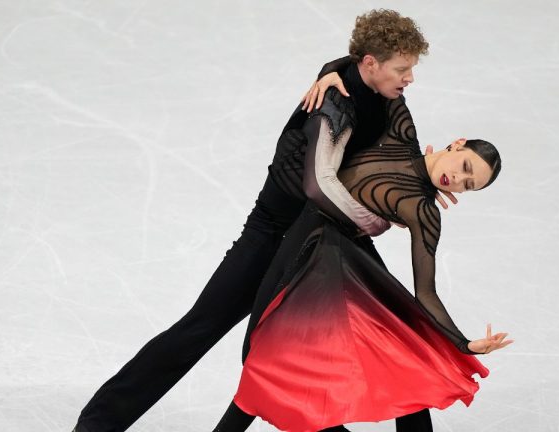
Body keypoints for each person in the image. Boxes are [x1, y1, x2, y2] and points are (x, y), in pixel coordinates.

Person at [73, 9, 439, 432]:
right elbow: (315, 185)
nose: (410, 78)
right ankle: (98, 423)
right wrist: (375, 221)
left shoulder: (386, 99)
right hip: (274, 233)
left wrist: (429, 188)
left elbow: (403, 159)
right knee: (202, 327)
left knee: (394, 332)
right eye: (402, 68)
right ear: (371, 63)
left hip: (331, 233)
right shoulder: (330, 98)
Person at [212, 95, 512, 432]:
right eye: (465, 167)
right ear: (457, 144)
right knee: (255, 354)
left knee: (268, 363)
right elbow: (378, 80)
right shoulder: (401, 132)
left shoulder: (423, 212)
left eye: (468, 185)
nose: (457, 179)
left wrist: (464, 344)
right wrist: (330, 73)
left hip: (328, 265)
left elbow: (426, 292)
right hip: (297, 240)